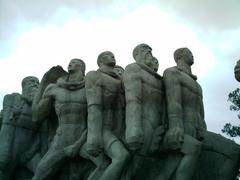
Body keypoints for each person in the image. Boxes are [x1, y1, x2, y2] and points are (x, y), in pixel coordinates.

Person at [32, 59, 89, 180]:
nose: (71, 63)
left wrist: (78, 144)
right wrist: (43, 83)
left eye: (75, 62)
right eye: (70, 62)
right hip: (61, 138)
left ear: (82, 68)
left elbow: (94, 118)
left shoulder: (89, 88)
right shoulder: (54, 88)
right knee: (41, 171)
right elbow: (37, 115)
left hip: (83, 137)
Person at [85, 51, 130, 180]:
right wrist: (94, 136)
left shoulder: (119, 81)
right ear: (99, 61)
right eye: (107, 55)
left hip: (118, 129)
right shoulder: (94, 75)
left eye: (113, 54)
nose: (112, 56)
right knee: (121, 156)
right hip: (101, 128)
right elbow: (94, 107)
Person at [123, 44, 166, 178]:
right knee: (137, 164)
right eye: (144, 50)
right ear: (136, 55)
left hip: (160, 125)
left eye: (150, 51)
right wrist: (134, 128)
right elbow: (132, 100)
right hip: (143, 122)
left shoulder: (159, 79)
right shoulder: (133, 69)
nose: (149, 52)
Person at [163, 47, 205, 180]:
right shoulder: (172, 73)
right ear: (180, 56)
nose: (192, 55)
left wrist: (203, 129)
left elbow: (201, 111)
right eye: (189, 52)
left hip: (199, 129)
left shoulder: (197, 85)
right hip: (181, 127)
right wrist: (176, 126)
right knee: (192, 150)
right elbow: (174, 101)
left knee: (233, 152)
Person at [0, 76, 40, 180]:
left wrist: (29, 153)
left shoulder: (41, 107)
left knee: (42, 171)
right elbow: (6, 128)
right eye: (32, 81)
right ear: (24, 86)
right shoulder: (12, 99)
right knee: (4, 171)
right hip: (11, 148)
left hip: (30, 152)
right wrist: (4, 152)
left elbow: (41, 133)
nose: (35, 84)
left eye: (37, 82)